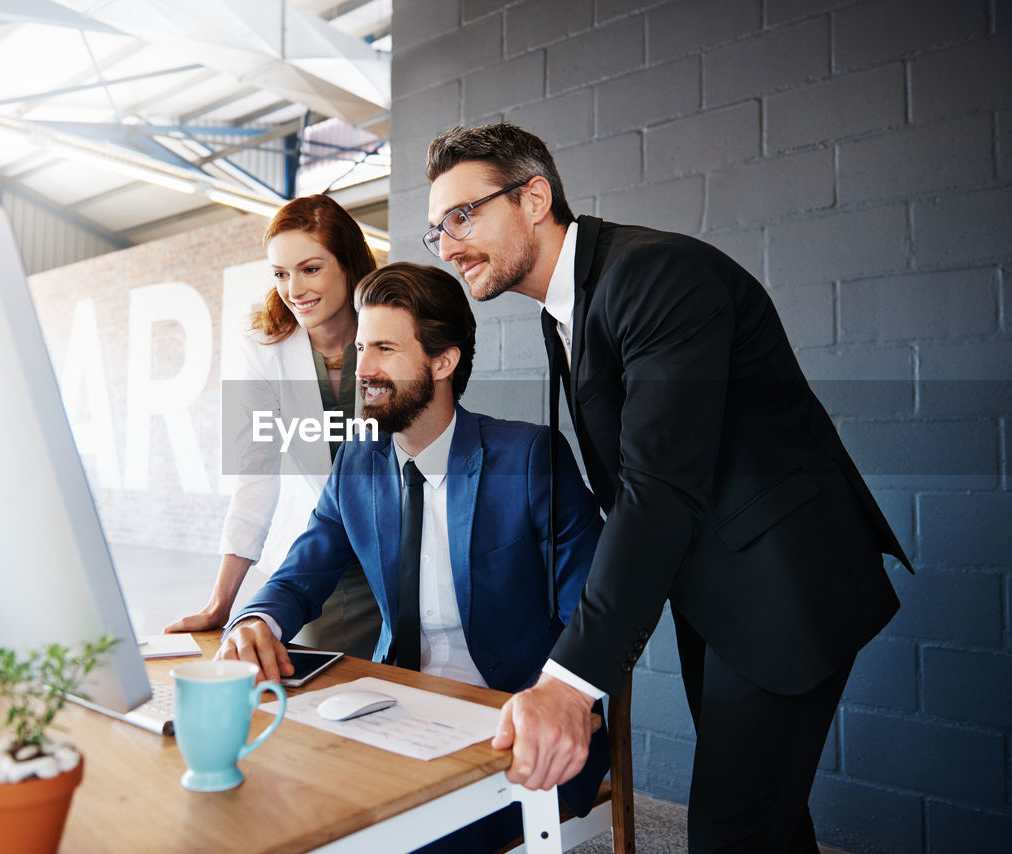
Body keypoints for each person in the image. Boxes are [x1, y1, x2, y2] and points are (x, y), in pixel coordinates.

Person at [423, 122, 913, 854]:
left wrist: (570, 681)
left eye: (463, 216)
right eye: (436, 230)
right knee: (767, 821)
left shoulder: (654, 276)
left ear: (533, 198)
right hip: (715, 584)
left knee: (728, 831)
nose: (449, 244)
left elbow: (658, 485)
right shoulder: (571, 305)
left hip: (785, 585)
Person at [218, 261, 610, 850]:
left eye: (384, 349)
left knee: (404, 841)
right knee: (279, 805)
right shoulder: (358, 461)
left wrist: (558, 698)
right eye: (360, 348)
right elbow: (304, 569)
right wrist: (257, 619)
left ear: (442, 361)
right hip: (394, 705)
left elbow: (594, 607)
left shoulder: (529, 458)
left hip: (513, 716)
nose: (363, 369)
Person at [165, 195, 381, 658]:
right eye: (281, 273)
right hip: (318, 554)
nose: (294, 288)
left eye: (310, 269)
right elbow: (257, 471)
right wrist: (221, 602)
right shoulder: (264, 348)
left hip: (398, 550)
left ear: (348, 264)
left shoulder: (394, 327)